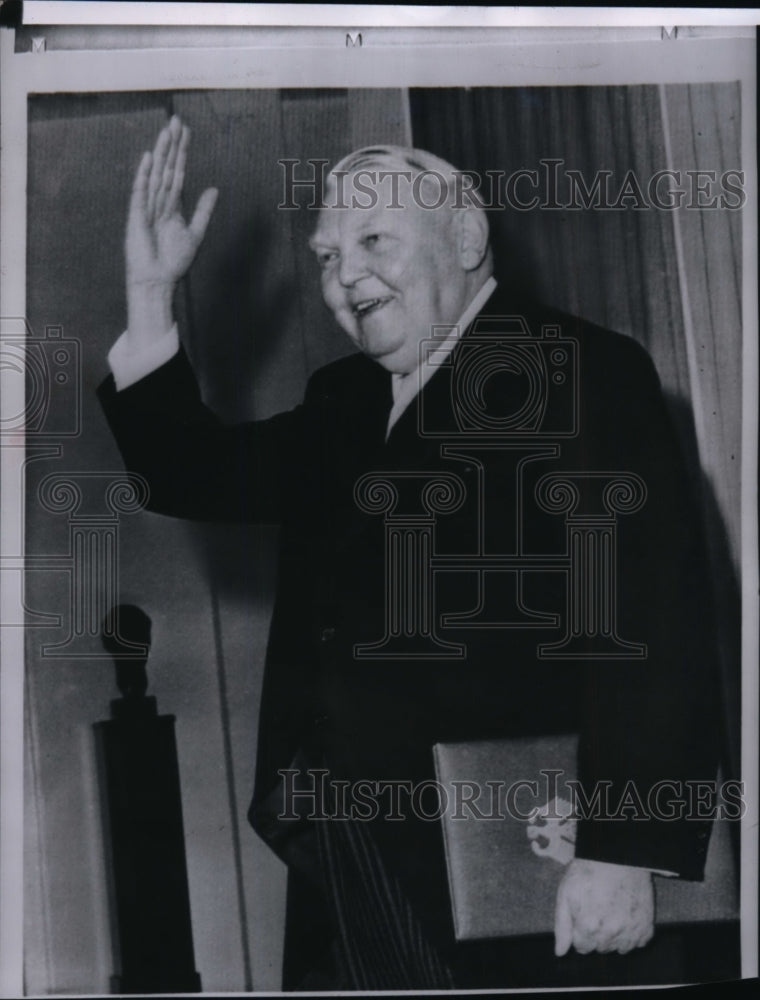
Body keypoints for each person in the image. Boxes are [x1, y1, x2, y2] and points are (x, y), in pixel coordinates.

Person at [99, 115, 720, 990]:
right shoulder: (344, 400)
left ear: (465, 237)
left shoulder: (578, 370)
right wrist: (149, 292)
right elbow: (190, 474)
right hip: (345, 847)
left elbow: (650, 615)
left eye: (373, 238)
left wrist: (626, 848)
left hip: (522, 867)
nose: (345, 273)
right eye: (324, 254)